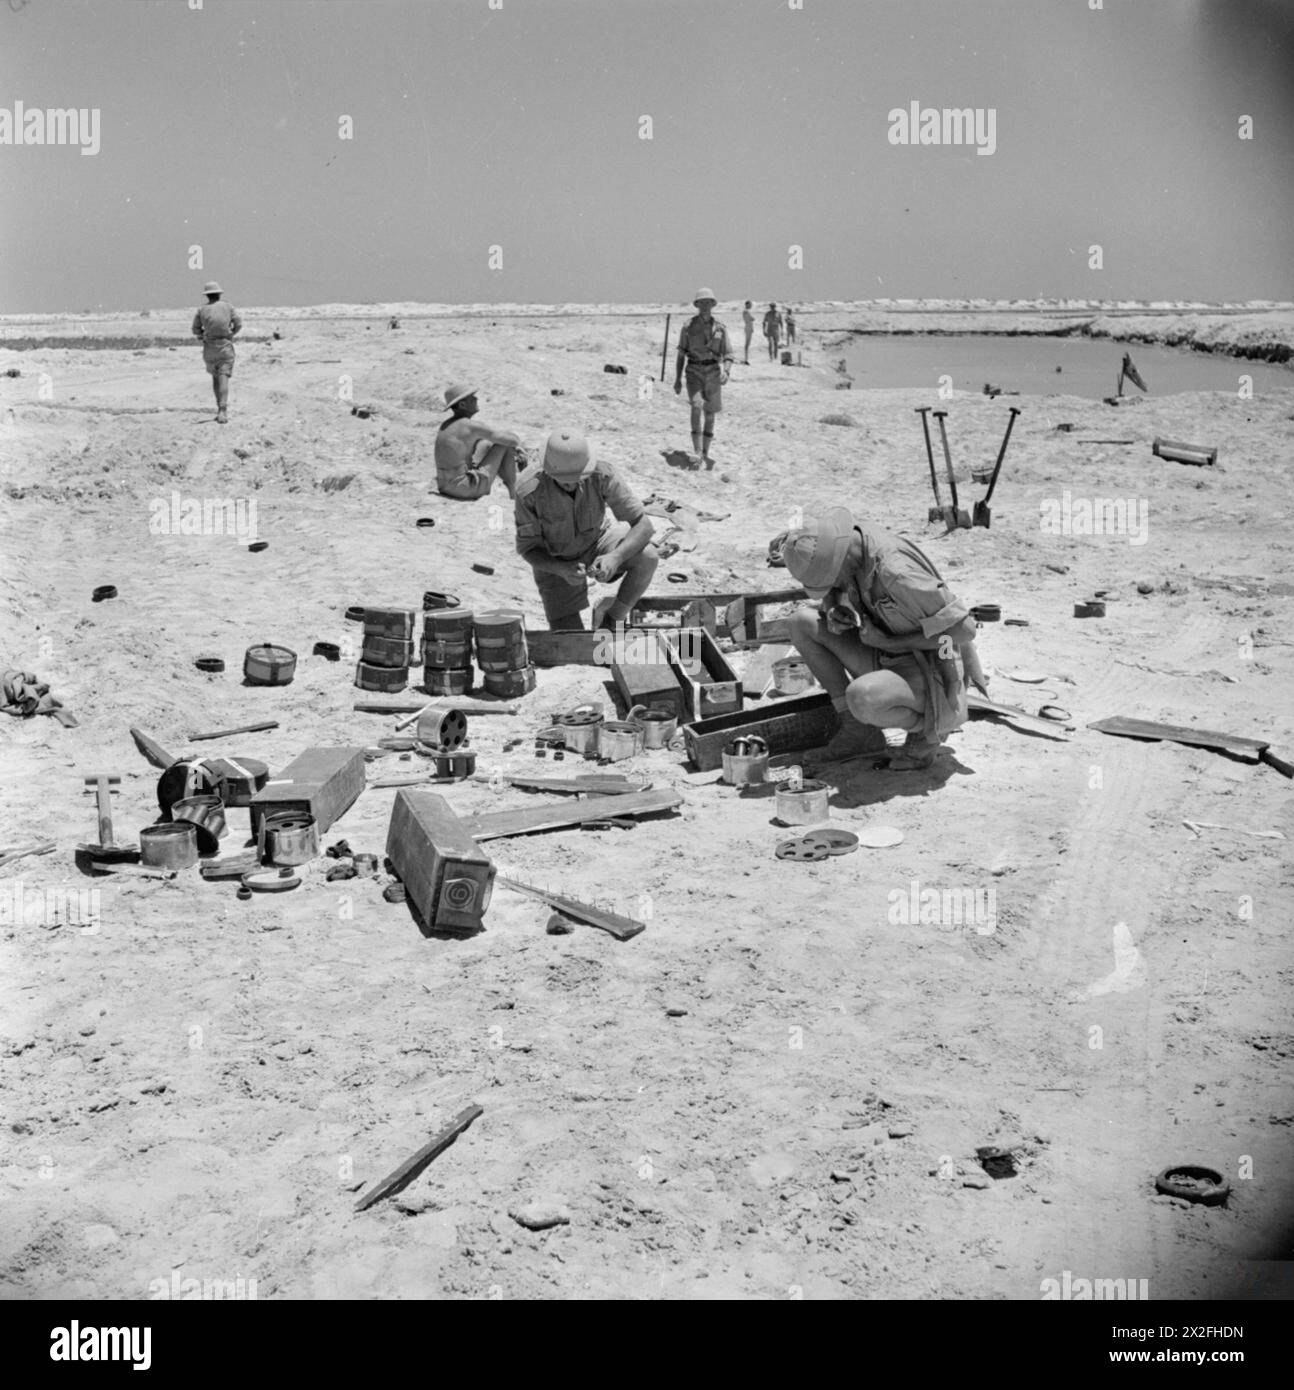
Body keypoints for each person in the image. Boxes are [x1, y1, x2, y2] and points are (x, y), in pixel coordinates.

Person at [776, 508, 989, 770]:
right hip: (885, 652)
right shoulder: (850, 545)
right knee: (801, 623)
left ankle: (932, 728)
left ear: (839, 557)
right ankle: (859, 733)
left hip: (933, 669)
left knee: (862, 697)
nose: (834, 584)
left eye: (831, 577)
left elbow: (962, 631)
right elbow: (835, 588)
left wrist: (892, 644)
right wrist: (833, 608)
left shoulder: (898, 573)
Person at [514, 429, 658, 631]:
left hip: (597, 540)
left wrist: (615, 557)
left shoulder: (602, 473)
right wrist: (561, 569)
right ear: (548, 471)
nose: (573, 484)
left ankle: (613, 618)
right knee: (569, 639)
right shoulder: (528, 489)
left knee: (648, 556)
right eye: (565, 480)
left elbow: (644, 525)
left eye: (580, 476)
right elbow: (528, 549)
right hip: (556, 560)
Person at [672, 288, 733, 469]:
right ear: (697, 305)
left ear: (713, 305)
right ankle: (697, 451)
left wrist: (726, 371)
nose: (705, 306)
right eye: (702, 302)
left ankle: (706, 452)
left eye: (709, 302)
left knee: (710, 413)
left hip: (713, 372)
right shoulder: (688, 326)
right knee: (696, 406)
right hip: (694, 371)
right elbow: (681, 354)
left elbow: (728, 353)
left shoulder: (720, 327)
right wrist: (677, 379)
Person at [434, 385, 523, 500]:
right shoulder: (470, 426)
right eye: (472, 397)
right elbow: (513, 440)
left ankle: (511, 489)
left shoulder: (447, 424)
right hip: (464, 489)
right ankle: (512, 491)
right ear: (462, 405)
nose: (476, 399)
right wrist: (516, 446)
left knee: (486, 444)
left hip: (444, 486)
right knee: (504, 444)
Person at [191, 281, 241, 424]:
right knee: (223, 376)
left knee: (215, 377)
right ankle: (223, 410)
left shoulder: (202, 310)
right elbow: (239, 324)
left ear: (207, 296)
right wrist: (231, 333)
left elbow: (195, 329)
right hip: (225, 345)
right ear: (219, 294)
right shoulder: (228, 307)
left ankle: (218, 407)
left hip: (209, 347)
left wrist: (203, 334)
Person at [741, 300, 755, 365]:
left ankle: (746, 358)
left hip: (748, 327)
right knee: (747, 344)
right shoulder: (746, 311)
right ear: (747, 304)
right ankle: (746, 359)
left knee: (747, 344)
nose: (751, 306)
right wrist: (752, 318)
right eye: (750, 304)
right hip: (748, 327)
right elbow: (752, 318)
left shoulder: (745, 311)